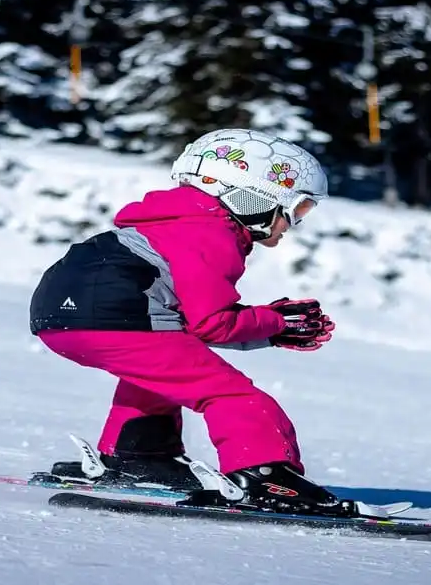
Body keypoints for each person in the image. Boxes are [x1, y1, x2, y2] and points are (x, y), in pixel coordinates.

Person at [28, 128, 356, 516]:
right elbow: (213, 323)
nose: (291, 224)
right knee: (231, 395)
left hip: (59, 316)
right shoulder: (210, 231)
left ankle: (143, 456)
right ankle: (265, 476)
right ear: (255, 196)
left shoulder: (171, 222)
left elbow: (192, 319)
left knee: (161, 373)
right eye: (297, 209)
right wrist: (274, 324)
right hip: (115, 315)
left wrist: (269, 325)